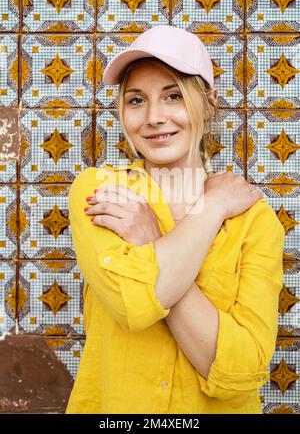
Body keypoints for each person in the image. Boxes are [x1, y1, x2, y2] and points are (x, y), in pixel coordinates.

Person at [65, 25, 285, 414]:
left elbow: (242, 372)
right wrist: (212, 209)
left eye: (172, 96)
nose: (153, 117)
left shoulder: (254, 218)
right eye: (136, 100)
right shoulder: (100, 190)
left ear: (209, 102)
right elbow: (135, 307)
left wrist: (152, 243)